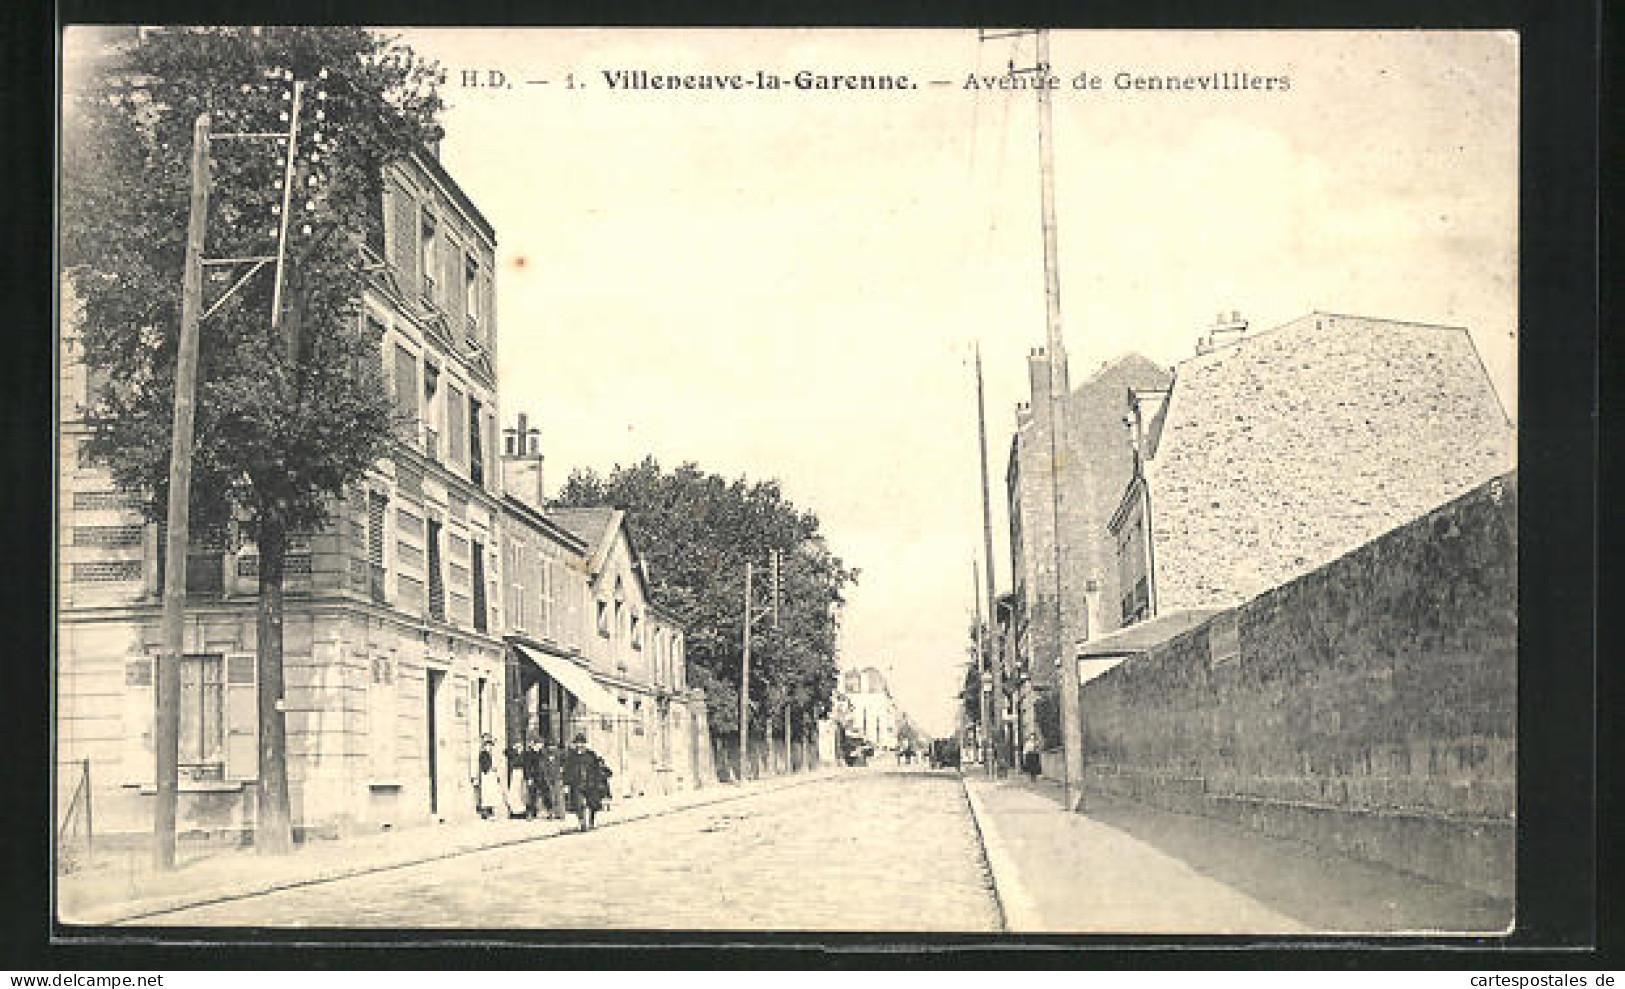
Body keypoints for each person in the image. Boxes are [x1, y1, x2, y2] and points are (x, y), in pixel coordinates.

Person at [562, 732, 612, 832]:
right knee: (578, 804)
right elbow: (566, 770)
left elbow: (597, 769)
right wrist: (566, 783)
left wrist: (598, 782)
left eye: (582, 743)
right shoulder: (571, 757)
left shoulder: (591, 755)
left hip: (590, 783)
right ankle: (582, 822)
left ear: (585, 744)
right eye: (577, 743)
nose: (579, 745)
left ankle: (591, 820)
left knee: (593, 804)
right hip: (576, 783)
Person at [539, 740, 567, 820]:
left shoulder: (560, 754)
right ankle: (552, 813)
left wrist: (562, 772)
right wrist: (545, 776)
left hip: (557, 777)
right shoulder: (545, 755)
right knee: (550, 795)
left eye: (553, 746)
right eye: (550, 746)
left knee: (558, 795)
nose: (552, 748)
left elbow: (564, 764)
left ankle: (560, 813)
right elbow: (543, 766)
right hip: (549, 777)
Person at [475, 735, 501, 819]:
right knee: (487, 793)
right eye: (488, 746)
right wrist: (489, 768)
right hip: (486, 775)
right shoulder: (483, 754)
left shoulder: (489, 754)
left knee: (492, 793)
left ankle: (490, 811)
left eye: (490, 746)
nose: (489, 747)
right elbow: (483, 765)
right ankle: (486, 812)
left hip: (491, 775)